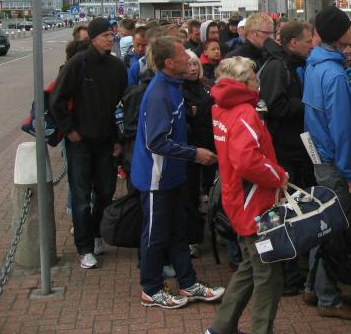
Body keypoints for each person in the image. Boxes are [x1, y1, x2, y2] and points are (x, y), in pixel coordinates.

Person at [131, 36, 224, 309]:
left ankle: (188, 282)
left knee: (178, 231)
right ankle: (151, 289)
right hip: (156, 178)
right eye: (183, 54)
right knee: (156, 234)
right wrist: (194, 153)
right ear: (170, 63)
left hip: (173, 175)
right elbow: (155, 142)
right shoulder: (159, 94)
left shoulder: (174, 86)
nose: (188, 57)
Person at [206, 57, 289, 334]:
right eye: (254, 77)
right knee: (268, 274)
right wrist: (278, 175)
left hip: (237, 197)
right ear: (243, 82)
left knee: (250, 268)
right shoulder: (245, 112)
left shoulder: (221, 108)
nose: (258, 82)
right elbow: (247, 161)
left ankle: (221, 327)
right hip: (254, 202)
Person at [301, 6, 351, 321]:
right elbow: (342, 129)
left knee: (322, 223)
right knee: (332, 230)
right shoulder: (335, 75)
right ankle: (328, 297)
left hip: (320, 156)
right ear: (340, 34)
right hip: (333, 161)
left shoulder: (314, 65)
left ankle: (313, 286)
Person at [50, 17, 128, 269]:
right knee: (81, 196)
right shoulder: (77, 64)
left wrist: (118, 139)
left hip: (106, 141)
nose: (110, 39)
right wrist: (70, 130)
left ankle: (95, 233)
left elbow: (122, 105)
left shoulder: (117, 67)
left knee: (106, 191)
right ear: (93, 38)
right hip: (80, 142)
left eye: (111, 35)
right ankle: (84, 248)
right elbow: (56, 100)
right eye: (105, 35)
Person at [257, 20, 315, 296]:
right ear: (293, 43)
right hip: (283, 150)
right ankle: (288, 275)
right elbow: (274, 106)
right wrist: (307, 104)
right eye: (307, 41)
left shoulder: (290, 64)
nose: (311, 45)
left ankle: (294, 268)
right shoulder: (277, 66)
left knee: (294, 209)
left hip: (294, 148)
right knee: (285, 211)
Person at [183, 50, 215, 256]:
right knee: (190, 193)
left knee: (211, 189)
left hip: (210, 145)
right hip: (189, 149)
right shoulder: (178, 89)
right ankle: (192, 239)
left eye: (195, 64)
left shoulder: (206, 86)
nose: (193, 68)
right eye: (188, 64)